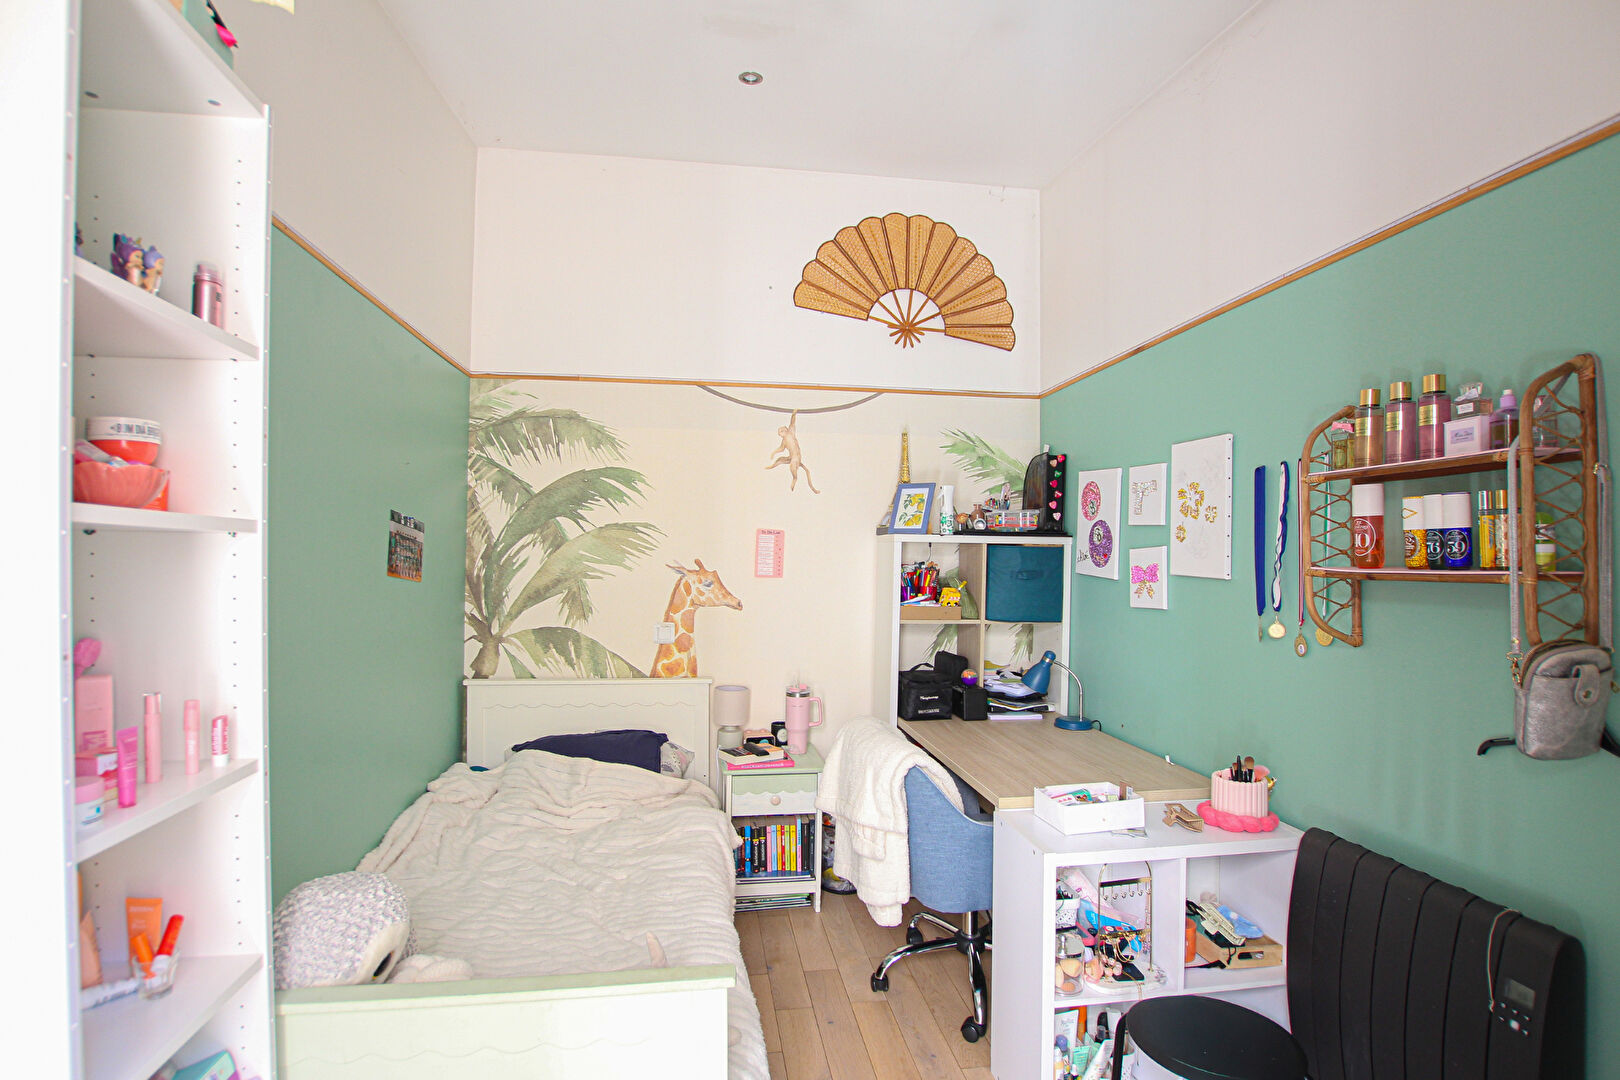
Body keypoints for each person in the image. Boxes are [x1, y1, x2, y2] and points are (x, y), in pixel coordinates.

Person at [765, 410, 820, 494]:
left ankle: (795, 478)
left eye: (781, 431)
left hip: (796, 457)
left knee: (793, 465)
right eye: (779, 432)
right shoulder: (784, 441)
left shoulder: (790, 433)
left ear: (785, 430)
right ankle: (772, 466)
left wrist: (794, 414)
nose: (779, 433)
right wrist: (774, 453)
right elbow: (781, 448)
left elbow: (792, 423)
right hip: (791, 457)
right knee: (780, 459)